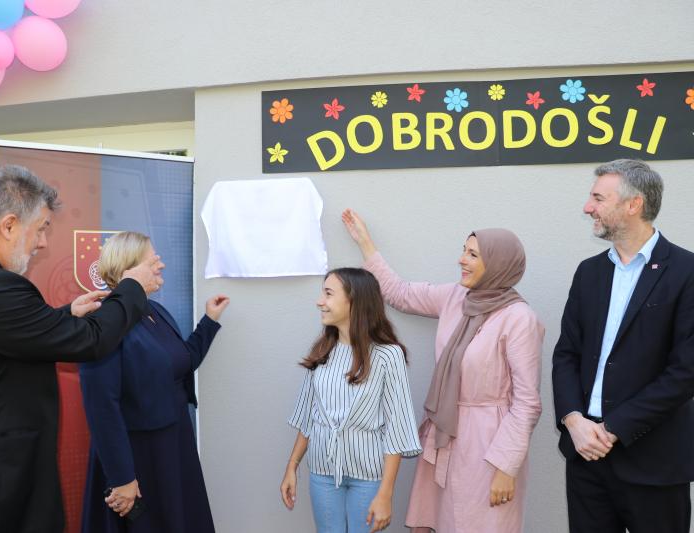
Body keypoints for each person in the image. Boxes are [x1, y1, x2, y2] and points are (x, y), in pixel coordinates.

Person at [0, 165, 161, 533]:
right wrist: (132, 287)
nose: (43, 243)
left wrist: (65, 315)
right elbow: (92, 340)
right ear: (8, 226)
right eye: (41, 229)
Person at [342, 209, 544, 533]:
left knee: (481, 524)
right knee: (442, 521)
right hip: (444, 435)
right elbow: (401, 294)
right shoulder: (455, 297)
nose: (462, 259)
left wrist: (506, 466)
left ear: (498, 263)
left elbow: (527, 403)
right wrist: (365, 243)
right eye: (464, 251)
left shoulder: (519, 318)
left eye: (473, 254)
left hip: (488, 443)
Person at [552, 159, 694, 533]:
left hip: (654, 460)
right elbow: (566, 354)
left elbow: (685, 372)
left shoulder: (686, 271)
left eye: (599, 198)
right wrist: (573, 420)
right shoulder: (589, 272)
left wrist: (614, 428)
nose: (588, 207)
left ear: (634, 204)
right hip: (586, 455)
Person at [78, 231, 229, 533]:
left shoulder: (155, 311)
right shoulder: (104, 321)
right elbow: (102, 408)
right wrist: (122, 478)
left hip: (173, 445)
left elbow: (181, 361)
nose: (161, 265)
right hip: (136, 457)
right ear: (128, 269)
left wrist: (209, 322)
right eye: (152, 260)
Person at [281, 267, 422, 533]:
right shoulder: (322, 351)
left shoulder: (388, 356)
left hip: (368, 476)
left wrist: (385, 494)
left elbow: (397, 429)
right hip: (322, 472)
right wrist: (292, 467)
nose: (319, 301)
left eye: (328, 293)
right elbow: (308, 417)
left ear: (354, 300)